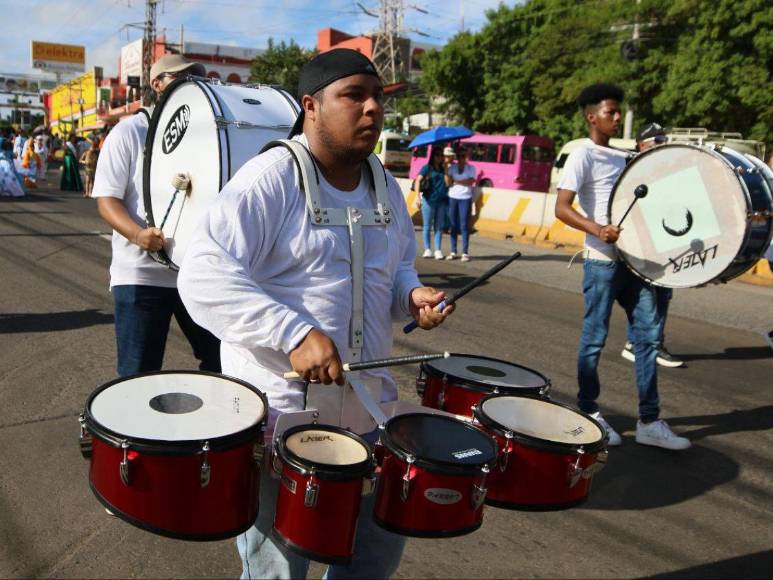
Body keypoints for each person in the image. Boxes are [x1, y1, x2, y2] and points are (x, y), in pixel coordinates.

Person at [178, 48, 453, 579]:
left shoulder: (385, 185)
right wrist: (293, 333)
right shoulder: (271, 178)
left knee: (369, 560)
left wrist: (412, 296)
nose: (372, 109)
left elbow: (394, 269)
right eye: (354, 95)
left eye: (377, 98)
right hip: (282, 423)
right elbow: (202, 272)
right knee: (279, 571)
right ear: (311, 105)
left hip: (368, 415)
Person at [555, 83, 690, 451]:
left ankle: (649, 420)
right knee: (595, 338)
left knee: (648, 337)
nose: (617, 118)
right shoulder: (583, 155)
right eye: (611, 112)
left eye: (618, 112)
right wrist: (598, 229)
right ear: (591, 116)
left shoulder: (626, 158)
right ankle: (587, 410)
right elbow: (562, 207)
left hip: (635, 262)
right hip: (602, 262)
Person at [92, 53, 220, 377]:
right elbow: (107, 199)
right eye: (181, 77)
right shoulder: (129, 132)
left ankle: (206, 427)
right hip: (141, 277)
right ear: (157, 85)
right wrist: (137, 235)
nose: (192, 84)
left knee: (222, 363)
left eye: (197, 78)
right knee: (138, 375)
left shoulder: (207, 136)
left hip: (196, 274)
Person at [619, 123, 684, 368]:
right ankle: (642, 344)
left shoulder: (666, 170)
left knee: (664, 294)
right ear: (641, 144)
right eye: (656, 141)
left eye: (663, 140)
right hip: (643, 244)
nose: (662, 144)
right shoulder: (631, 168)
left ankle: (647, 343)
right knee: (647, 295)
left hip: (666, 241)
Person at [415, 144, 450, 259]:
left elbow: (448, 184)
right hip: (428, 200)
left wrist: (445, 170)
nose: (440, 157)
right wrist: (417, 197)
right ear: (433, 156)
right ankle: (427, 249)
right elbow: (418, 180)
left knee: (439, 226)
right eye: (437, 155)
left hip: (442, 201)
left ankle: (438, 250)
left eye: (441, 155)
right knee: (427, 225)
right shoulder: (427, 168)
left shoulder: (444, 169)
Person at [445, 146, 477, 262]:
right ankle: (453, 251)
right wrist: (446, 168)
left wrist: (457, 181)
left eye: (463, 156)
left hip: (465, 198)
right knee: (453, 225)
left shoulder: (471, 168)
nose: (460, 158)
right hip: (453, 197)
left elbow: (471, 181)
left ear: (466, 157)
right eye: (458, 156)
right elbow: (448, 183)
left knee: (464, 225)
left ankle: (465, 252)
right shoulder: (452, 168)